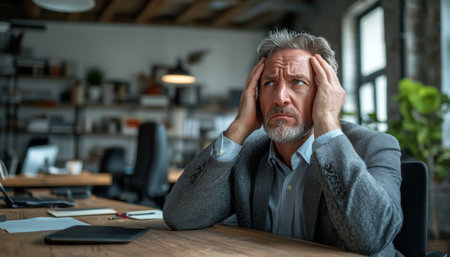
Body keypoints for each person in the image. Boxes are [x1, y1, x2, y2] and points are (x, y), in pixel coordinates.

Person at [163, 29, 403, 257]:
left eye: (297, 82)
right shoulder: (248, 152)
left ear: (324, 92)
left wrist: (327, 122)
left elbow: (371, 237)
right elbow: (181, 216)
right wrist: (239, 127)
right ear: (255, 96)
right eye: (269, 83)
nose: (280, 97)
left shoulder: (375, 146)